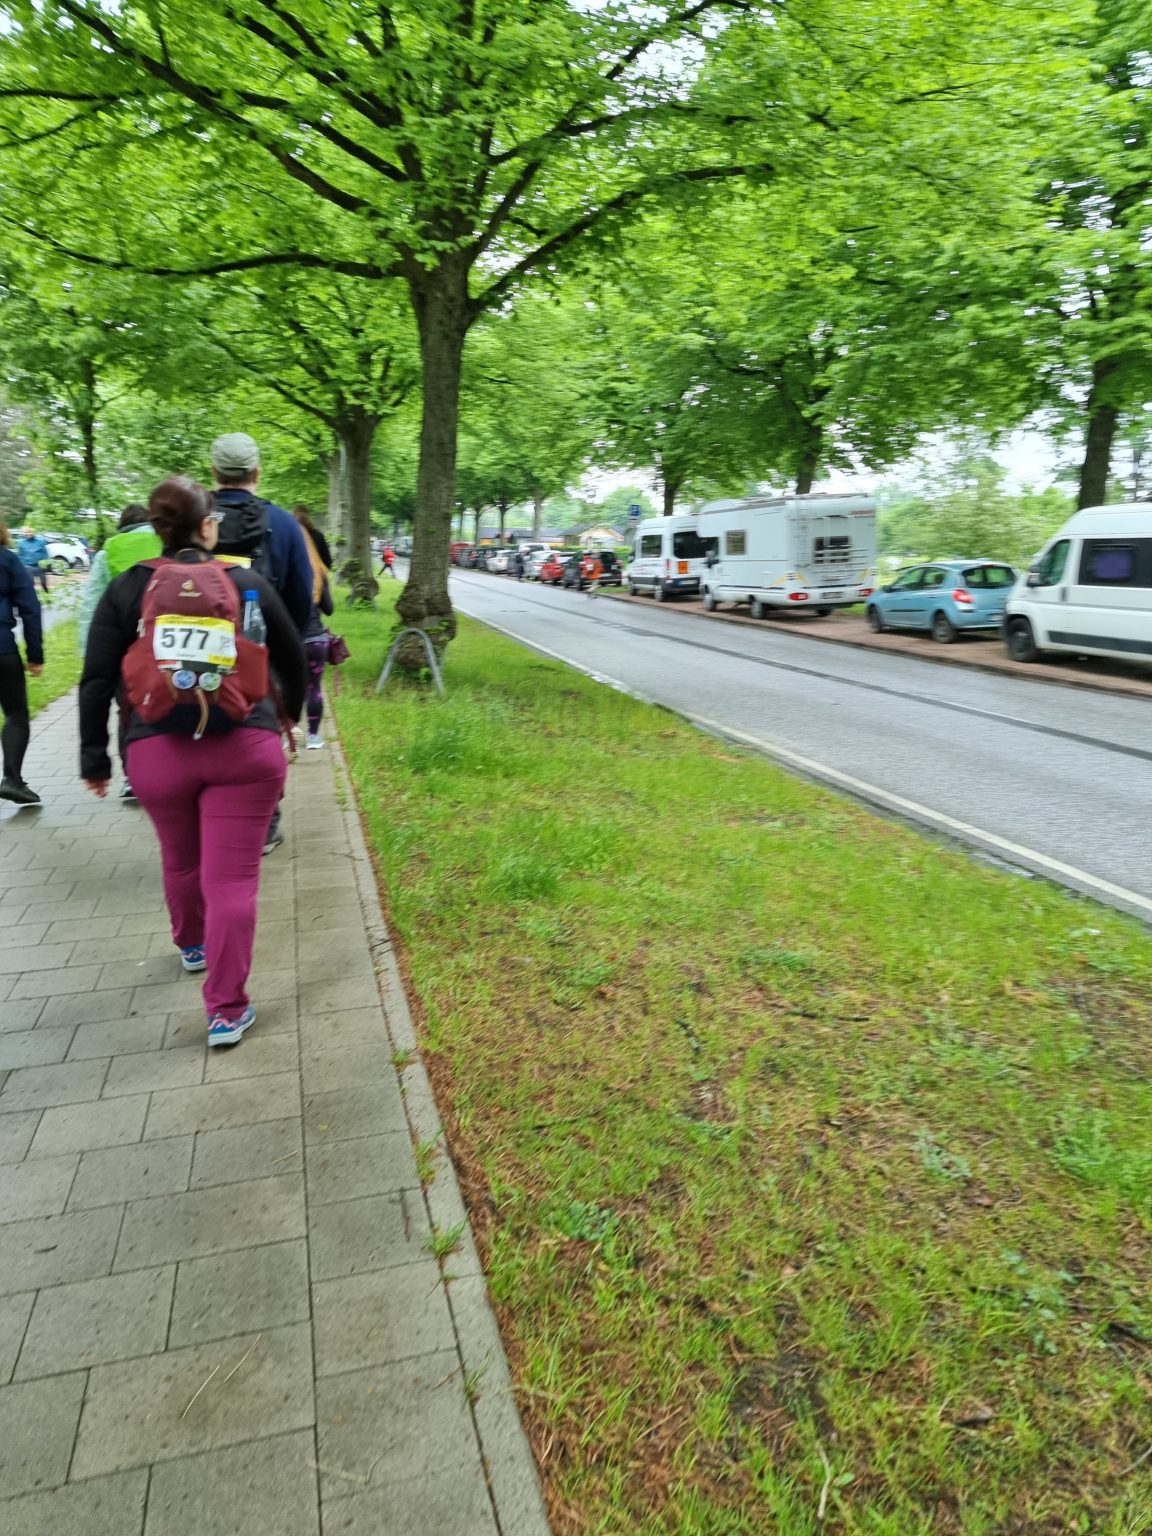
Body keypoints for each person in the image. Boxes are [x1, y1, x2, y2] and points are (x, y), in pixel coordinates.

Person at [79, 477, 305, 1047]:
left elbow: (96, 678)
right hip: (245, 750)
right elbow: (293, 656)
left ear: (158, 529)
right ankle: (226, 1011)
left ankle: (192, 945)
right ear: (209, 526)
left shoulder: (127, 588)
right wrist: (290, 715)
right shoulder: (245, 582)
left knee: (180, 860)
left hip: (156, 753)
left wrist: (94, 759)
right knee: (233, 880)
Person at [210, 433, 312, 854]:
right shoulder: (283, 523)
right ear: (257, 472)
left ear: (214, 471)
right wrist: (288, 644)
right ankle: (264, 824)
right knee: (259, 731)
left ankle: (209, 813)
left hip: (200, 646)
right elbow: (301, 595)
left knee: (201, 724)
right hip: (261, 648)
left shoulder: (194, 517)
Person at [78, 504, 161, 803]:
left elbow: (92, 604)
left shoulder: (108, 552)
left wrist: (89, 651)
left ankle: (132, 777)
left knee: (127, 709)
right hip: (162, 639)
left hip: (122, 644)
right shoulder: (163, 540)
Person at [0, 519, 44, 805]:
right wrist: (35, 655)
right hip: (2, 650)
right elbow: (30, 608)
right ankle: (12, 780)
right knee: (15, 713)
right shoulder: (7, 560)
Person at [293, 505, 334, 750]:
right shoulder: (319, 572)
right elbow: (329, 609)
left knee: (287, 686)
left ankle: (288, 735)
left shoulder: (282, 572)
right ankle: (314, 737)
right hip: (315, 639)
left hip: (290, 640)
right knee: (313, 687)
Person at [17, 526, 50, 594]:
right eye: (25, 532)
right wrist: (23, 566)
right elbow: (20, 555)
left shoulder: (40, 542)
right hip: (29, 566)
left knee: (43, 582)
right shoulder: (21, 543)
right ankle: (32, 596)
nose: (27, 534)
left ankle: (47, 594)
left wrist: (45, 563)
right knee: (31, 583)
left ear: (32, 532)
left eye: (28, 532)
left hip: (40, 566)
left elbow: (45, 553)